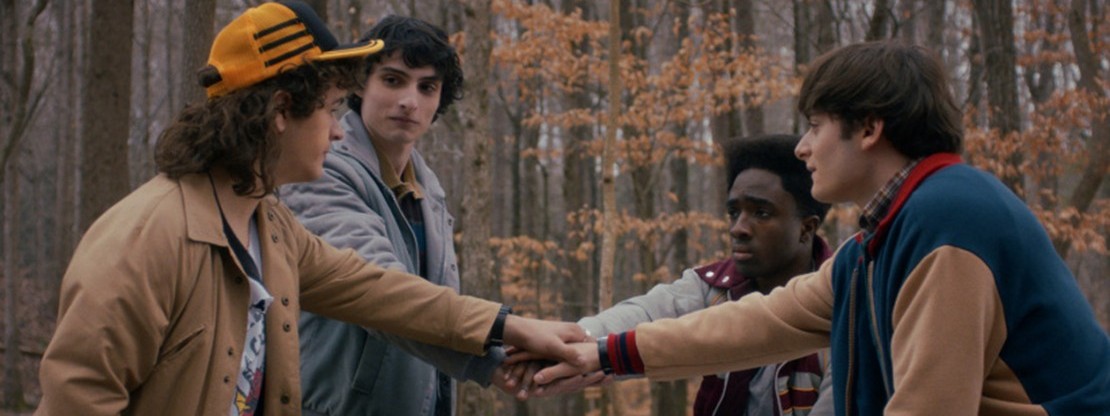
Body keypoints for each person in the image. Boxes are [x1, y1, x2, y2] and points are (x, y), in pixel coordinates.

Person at [35, 2, 583, 415]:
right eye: (328, 109)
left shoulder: (271, 228)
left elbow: (383, 293)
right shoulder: (145, 238)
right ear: (281, 111)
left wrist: (510, 327)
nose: (339, 130)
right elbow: (78, 397)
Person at [534, 40, 1110, 415]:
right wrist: (604, 354)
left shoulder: (950, 221)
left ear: (869, 129)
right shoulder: (873, 248)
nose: (803, 147)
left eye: (815, 125)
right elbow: (758, 323)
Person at [281, 16, 510, 415]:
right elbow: (381, 294)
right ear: (360, 84)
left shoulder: (428, 186)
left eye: (427, 87)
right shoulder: (320, 170)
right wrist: (497, 351)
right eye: (392, 80)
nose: (410, 101)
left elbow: (439, 306)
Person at [568, 135, 834, 416]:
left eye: (761, 213)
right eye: (733, 212)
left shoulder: (841, 309)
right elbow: (644, 315)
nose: (738, 228)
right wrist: (567, 344)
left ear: (806, 228)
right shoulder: (715, 288)